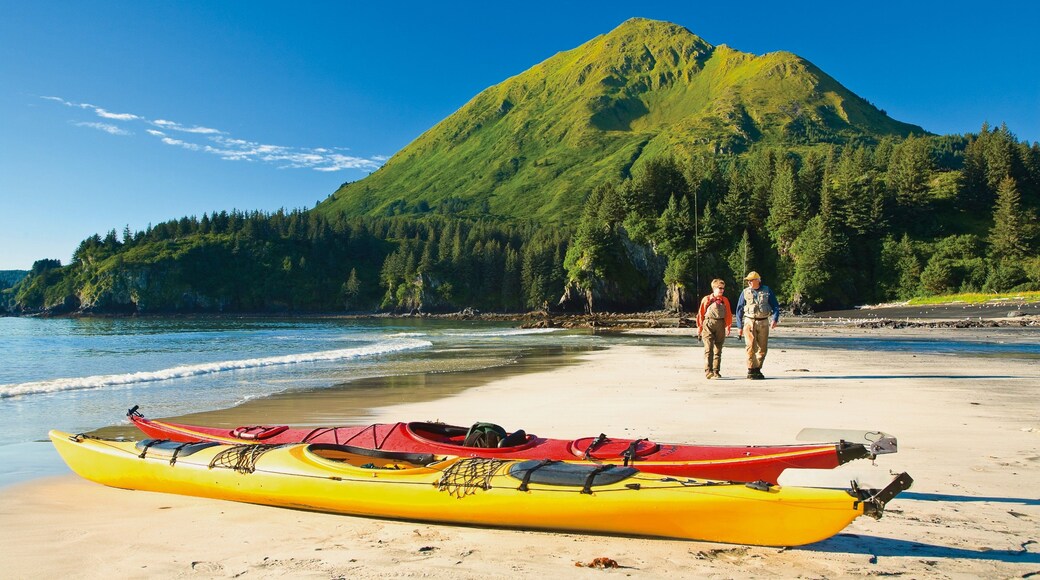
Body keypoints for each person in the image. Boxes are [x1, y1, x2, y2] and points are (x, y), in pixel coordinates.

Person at [735, 271, 780, 379]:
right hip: (749, 321)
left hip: (764, 321)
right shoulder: (745, 292)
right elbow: (739, 309)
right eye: (748, 281)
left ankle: (757, 369)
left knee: (762, 348)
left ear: (758, 280)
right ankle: (751, 369)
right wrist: (739, 326)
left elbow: (775, 306)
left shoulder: (767, 290)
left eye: (751, 280)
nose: (749, 282)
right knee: (750, 346)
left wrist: (775, 319)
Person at [696, 279, 732, 379]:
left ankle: (716, 371)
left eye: (723, 288)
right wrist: (699, 327)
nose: (722, 290)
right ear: (714, 288)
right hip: (708, 323)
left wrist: (728, 326)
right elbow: (700, 313)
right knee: (708, 348)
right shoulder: (706, 299)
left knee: (718, 349)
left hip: (721, 324)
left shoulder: (725, 300)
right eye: (720, 288)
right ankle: (708, 370)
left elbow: (728, 314)